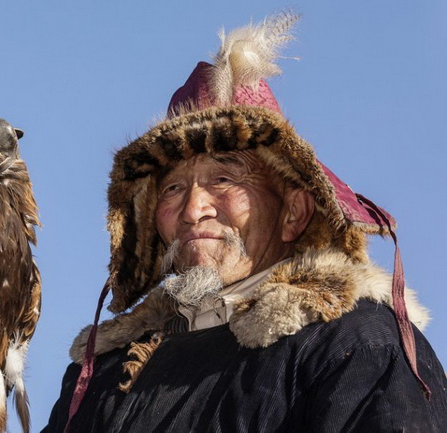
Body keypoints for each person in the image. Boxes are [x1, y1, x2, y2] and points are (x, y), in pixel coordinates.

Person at [42, 12, 447, 433]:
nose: (193, 210)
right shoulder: (101, 373)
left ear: (293, 213)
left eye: (224, 179)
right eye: (173, 188)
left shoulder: (358, 345)